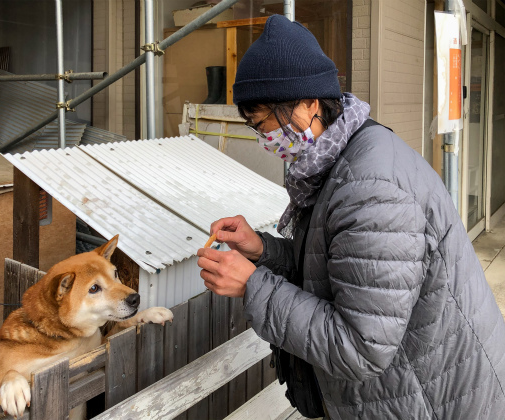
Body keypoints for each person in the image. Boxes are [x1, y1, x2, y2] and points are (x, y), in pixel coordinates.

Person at [196, 14, 505, 420]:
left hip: (437, 401)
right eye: (257, 128)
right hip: (413, 388)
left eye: (265, 122)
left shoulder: (370, 190)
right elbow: (339, 271)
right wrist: (262, 250)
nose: (265, 139)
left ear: (309, 103)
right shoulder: (344, 155)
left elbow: (360, 346)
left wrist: (253, 285)